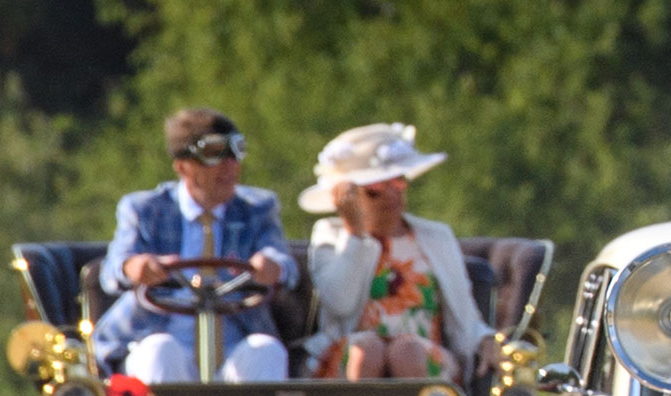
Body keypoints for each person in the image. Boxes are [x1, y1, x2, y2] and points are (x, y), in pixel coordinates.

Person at [92, 108, 298, 382]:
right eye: (214, 155)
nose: (230, 166)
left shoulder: (257, 208)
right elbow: (113, 270)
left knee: (267, 351)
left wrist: (272, 266)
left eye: (236, 153)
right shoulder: (145, 209)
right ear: (182, 166)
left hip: (233, 348)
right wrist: (137, 267)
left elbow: (285, 265)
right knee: (159, 351)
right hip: (160, 336)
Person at [298, 124, 493, 379]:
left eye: (398, 181)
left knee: (406, 351)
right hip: (353, 355)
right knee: (367, 350)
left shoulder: (437, 236)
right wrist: (355, 235)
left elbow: (464, 317)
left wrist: (488, 341)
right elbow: (339, 304)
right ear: (349, 197)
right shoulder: (331, 235)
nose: (392, 193)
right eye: (376, 188)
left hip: (422, 354)